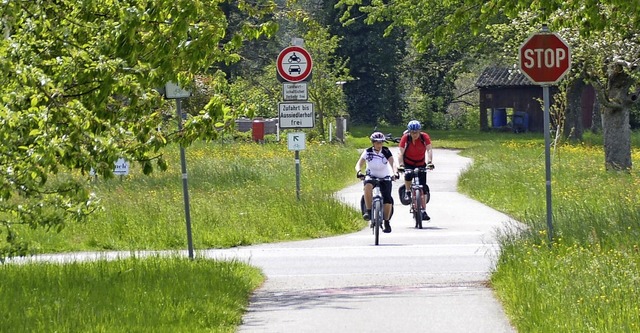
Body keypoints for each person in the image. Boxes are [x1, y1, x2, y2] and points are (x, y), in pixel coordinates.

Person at [355, 132, 398, 233]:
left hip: (385, 177)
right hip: (371, 176)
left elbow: (393, 163)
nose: (379, 145)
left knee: (387, 199)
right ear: (373, 143)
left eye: (381, 142)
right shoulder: (367, 152)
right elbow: (359, 164)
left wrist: (395, 173)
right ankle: (369, 212)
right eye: (377, 142)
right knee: (367, 186)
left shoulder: (386, 151)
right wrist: (359, 172)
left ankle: (387, 222)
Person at [397, 120, 434, 221]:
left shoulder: (424, 137)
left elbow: (429, 149)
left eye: (416, 132)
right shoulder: (406, 138)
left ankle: (423, 211)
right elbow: (400, 152)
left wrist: (430, 162)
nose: (414, 134)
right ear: (409, 132)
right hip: (408, 162)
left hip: (421, 163)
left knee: (424, 187)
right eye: (412, 132)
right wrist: (401, 165)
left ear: (419, 131)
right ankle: (408, 191)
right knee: (408, 175)